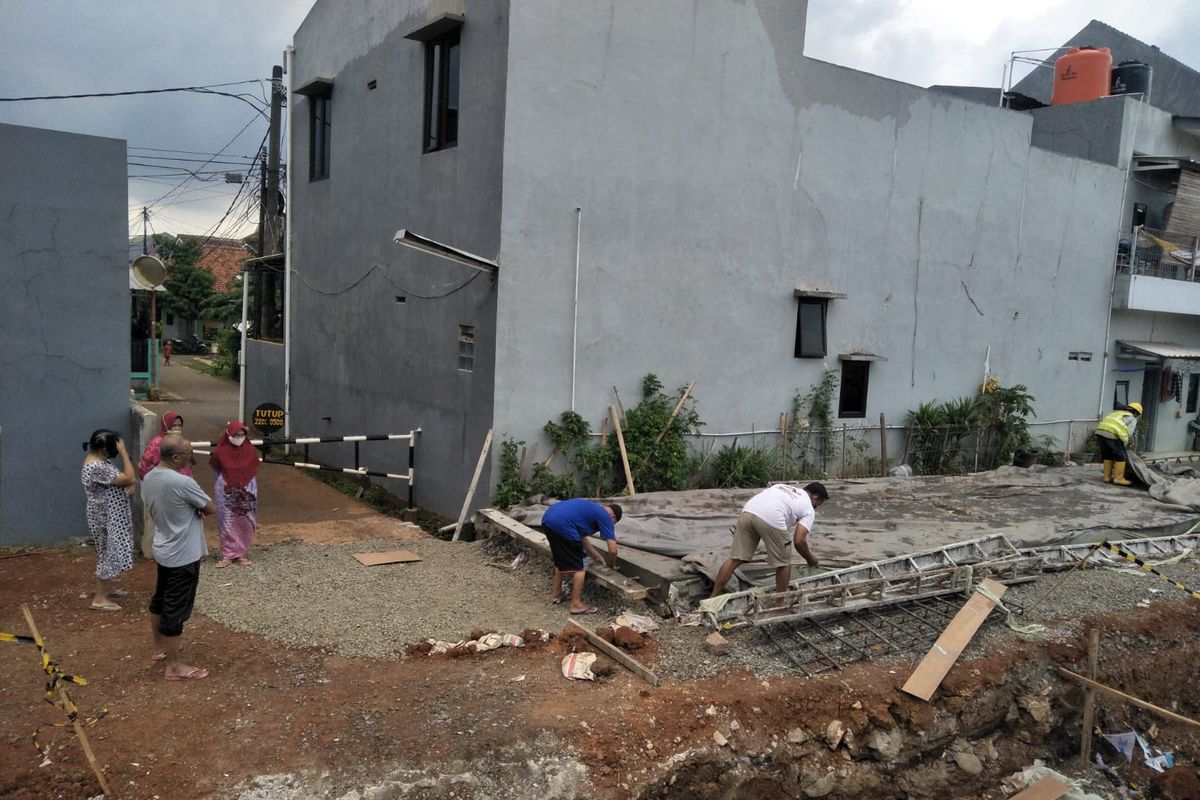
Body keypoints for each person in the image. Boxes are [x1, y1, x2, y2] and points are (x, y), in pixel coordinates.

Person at [141, 435, 215, 681]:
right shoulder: (182, 482)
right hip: (183, 553)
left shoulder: (149, 477)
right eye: (187, 455)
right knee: (175, 608)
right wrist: (195, 509)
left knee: (160, 600)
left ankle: (159, 648)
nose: (190, 458)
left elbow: (166, 506)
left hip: (164, 547)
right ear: (175, 457)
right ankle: (174, 666)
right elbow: (210, 508)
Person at [709, 482, 829, 598]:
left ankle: (711, 598)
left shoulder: (782, 486)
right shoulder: (808, 508)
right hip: (772, 516)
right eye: (819, 503)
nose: (817, 506)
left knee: (735, 559)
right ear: (815, 497)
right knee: (783, 563)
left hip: (748, 511)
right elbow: (799, 541)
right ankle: (780, 604)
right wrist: (811, 559)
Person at [81, 430, 137, 611]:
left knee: (110, 549)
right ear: (104, 449)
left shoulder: (100, 461)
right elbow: (129, 477)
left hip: (110, 514)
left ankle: (107, 588)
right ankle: (99, 599)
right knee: (109, 553)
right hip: (106, 516)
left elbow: (122, 480)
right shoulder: (96, 466)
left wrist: (129, 483)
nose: (115, 450)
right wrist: (124, 453)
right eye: (113, 447)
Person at [541, 498, 623, 615]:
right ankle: (576, 604)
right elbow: (613, 550)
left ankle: (556, 594)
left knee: (560, 560)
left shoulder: (592, 509)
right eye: (613, 523)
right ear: (613, 518)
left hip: (548, 519)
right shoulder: (606, 516)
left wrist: (596, 555)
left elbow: (581, 537)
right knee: (581, 564)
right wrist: (611, 565)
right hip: (563, 525)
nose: (611, 525)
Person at [209, 420, 259, 567]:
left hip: (247, 489)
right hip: (226, 489)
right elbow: (216, 470)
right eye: (236, 435)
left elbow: (253, 468)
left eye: (242, 435)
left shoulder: (250, 450)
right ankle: (227, 554)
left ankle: (242, 553)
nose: (239, 438)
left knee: (245, 522)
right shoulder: (220, 451)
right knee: (226, 521)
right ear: (229, 434)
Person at [1094, 402, 1143, 486]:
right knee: (1121, 455)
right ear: (1136, 413)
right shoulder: (1132, 418)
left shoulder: (1116, 413)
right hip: (1112, 434)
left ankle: (1107, 477)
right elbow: (1129, 433)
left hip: (1100, 432)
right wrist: (1126, 443)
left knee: (1107, 454)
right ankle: (1118, 478)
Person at [137, 411, 193, 479]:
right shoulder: (156, 445)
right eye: (174, 426)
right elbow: (144, 468)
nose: (177, 428)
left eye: (179, 426)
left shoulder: (180, 441)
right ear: (166, 425)